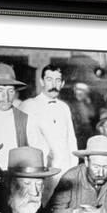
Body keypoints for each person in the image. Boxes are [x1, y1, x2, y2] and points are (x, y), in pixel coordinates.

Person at [20, 64, 78, 205]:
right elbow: (26, 141)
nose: (54, 84)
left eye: (58, 80)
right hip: (42, 172)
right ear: (41, 81)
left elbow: (71, 140)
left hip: (64, 172)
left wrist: (72, 170)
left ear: (63, 83)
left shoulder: (64, 107)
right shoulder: (29, 105)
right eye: (49, 79)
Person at [68, 82, 96, 149]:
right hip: (76, 133)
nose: (79, 93)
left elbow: (92, 115)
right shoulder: (70, 105)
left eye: (82, 91)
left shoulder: (88, 105)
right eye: (77, 90)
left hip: (87, 133)